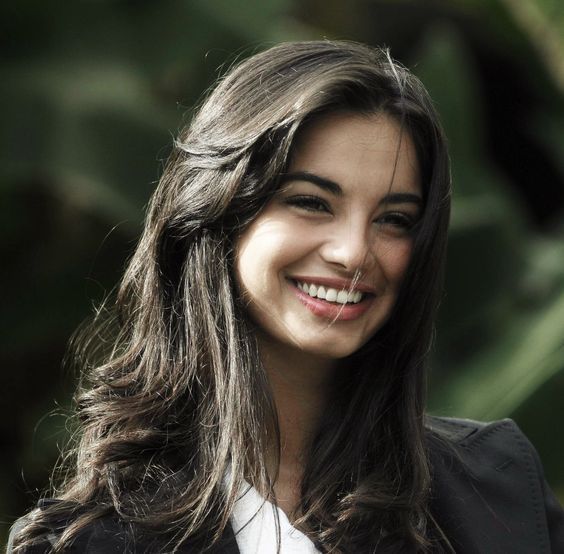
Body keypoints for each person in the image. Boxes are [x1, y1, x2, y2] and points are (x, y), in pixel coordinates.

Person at [8, 40, 564, 553]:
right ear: (218, 214)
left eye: (394, 219)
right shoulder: (89, 541)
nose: (353, 252)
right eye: (311, 202)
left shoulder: (496, 492)